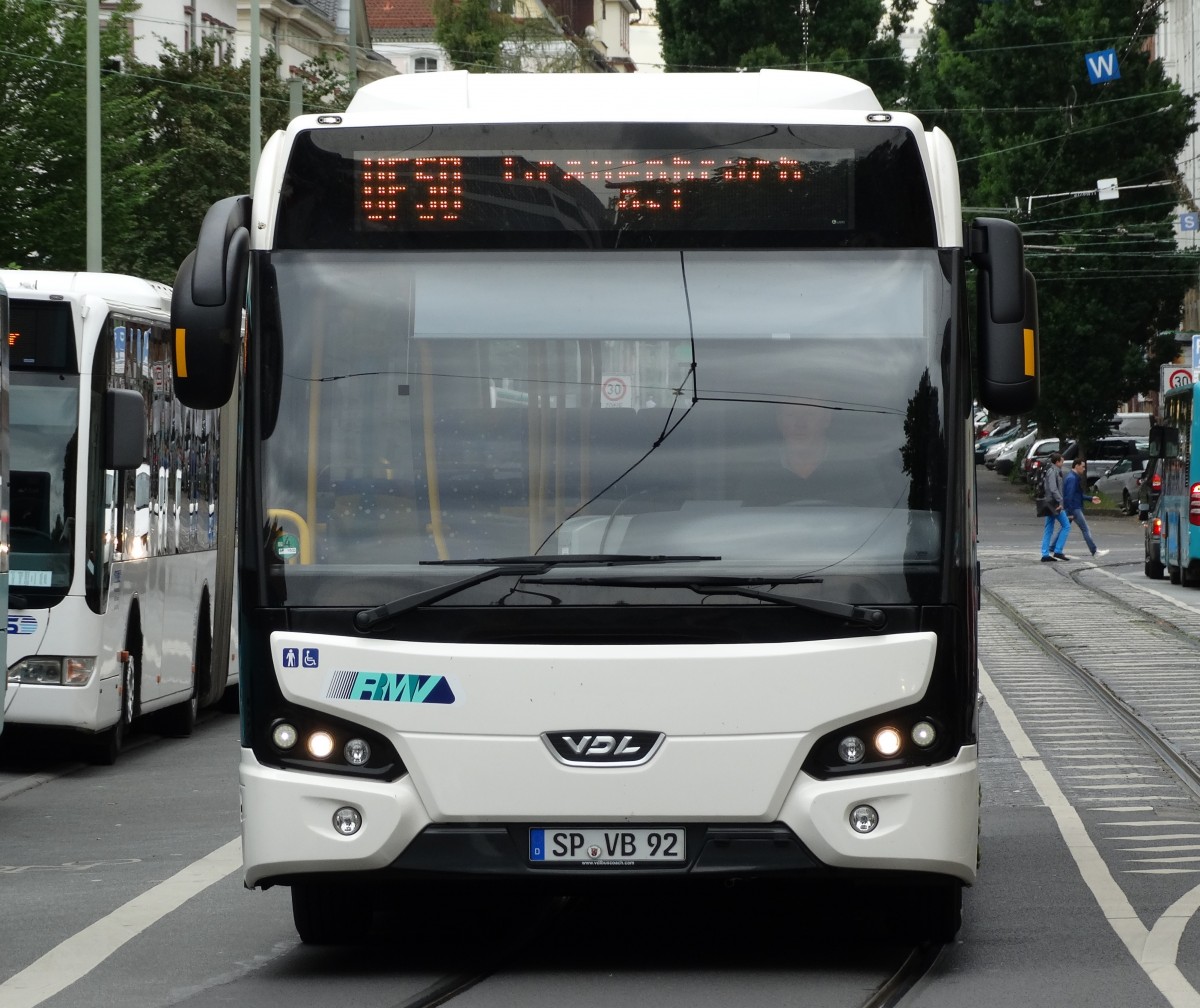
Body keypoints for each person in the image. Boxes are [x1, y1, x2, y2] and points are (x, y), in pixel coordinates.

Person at [1062, 458, 1109, 559]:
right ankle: (1094, 551)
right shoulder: (1072, 479)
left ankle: (1053, 548)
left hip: (1072, 507)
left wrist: (1090, 498)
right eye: (1083, 467)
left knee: (1064, 529)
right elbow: (1069, 496)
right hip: (1074, 508)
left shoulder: (1072, 477)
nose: (1084, 469)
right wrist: (1070, 511)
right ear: (1077, 465)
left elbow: (1076, 495)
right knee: (1085, 529)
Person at [1040, 452, 1070, 562]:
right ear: (1057, 462)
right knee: (1066, 525)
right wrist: (1060, 501)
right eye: (1062, 461)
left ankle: (1045, 553)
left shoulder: (1051, 470)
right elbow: (1053, 489)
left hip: (1049, 503)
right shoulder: (1053, 471)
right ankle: (1058, 550)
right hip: (1054, 504)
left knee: (1049, 528)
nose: (1063, 463)